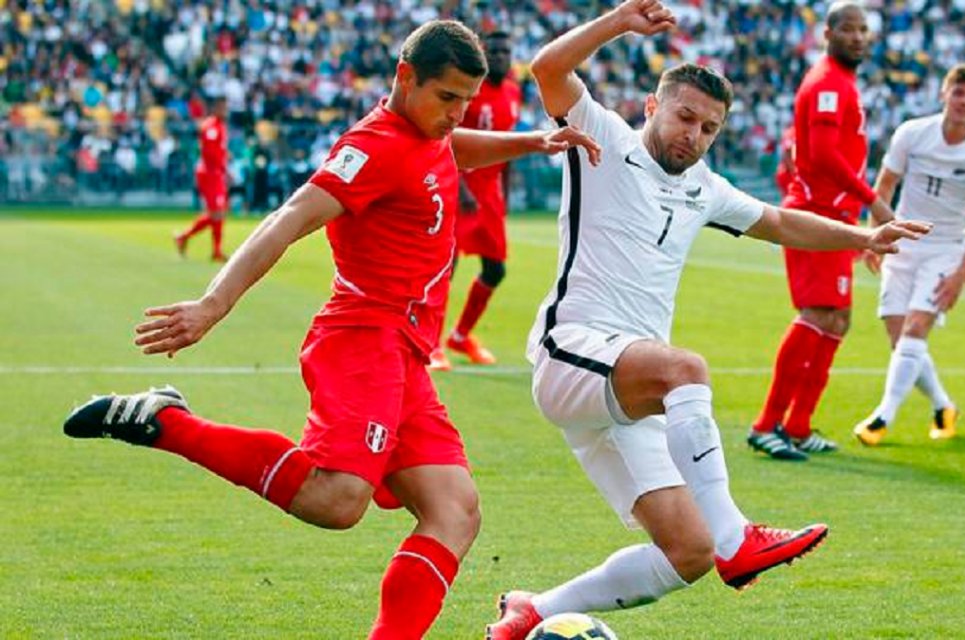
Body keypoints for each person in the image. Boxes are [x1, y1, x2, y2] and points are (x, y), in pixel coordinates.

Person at [62, 21, 599, 640]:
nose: (457, 113)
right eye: (447, 98)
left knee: (455, 511)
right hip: (363, 339)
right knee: (337, 501)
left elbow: (449, 150)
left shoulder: (428, 131)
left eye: (466, 101)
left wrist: (532, 141)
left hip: (406, 355)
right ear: (405, 78)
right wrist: (212, 304)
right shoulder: (374, 146)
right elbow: (289, 218)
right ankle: (167, 424)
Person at [485, 2, 930, 638]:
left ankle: (534, 609)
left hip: (628, 391)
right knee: (685, 369)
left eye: (709, 128)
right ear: (652, 107)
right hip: (571, 353)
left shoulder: (705, 187)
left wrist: (862, 237)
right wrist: (620, 20)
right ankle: (737, 536)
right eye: (684, 117)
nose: (693, 135)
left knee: (687, 553)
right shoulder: (604, 139)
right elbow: (548, 68)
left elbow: (779, 221)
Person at [747, 1, 896, 461]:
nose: (858, 37)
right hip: (816, 215)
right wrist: (874, 202)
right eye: (848, 29)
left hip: (836, 216)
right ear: (827, 34)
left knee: (837, 318)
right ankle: (766, 424)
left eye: (863, 30)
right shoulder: (828, 82)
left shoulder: (840, 82)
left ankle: (798, 424)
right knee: (817, 313)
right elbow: (824, 155)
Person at [853, 64, 965, 446]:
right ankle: (943, 405)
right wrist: (874, 236)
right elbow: (884, 186)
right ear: (943, 94)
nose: (964, 101)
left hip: (945, 250)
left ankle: (882, 417)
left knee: (915, 330)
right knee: (900, 341)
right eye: (959, 92)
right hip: (902, 241)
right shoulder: (912, 133)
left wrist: (961, 274)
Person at [430, 30, 523, 371]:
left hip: (490, 194)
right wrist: (461, 188)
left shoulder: (513, 91)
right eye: (493, 51)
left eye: (505, 51)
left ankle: (460, 336)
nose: (500, 57)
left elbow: (507, 145)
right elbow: (445, 138)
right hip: (458, 188)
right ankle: (431, 345)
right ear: (482, 53)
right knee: (446, 267)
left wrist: (505, 193)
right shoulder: (468, 89)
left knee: (495, 269)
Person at [175, 96, 231, 262]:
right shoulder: (211, 126)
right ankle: (215, 251)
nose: (225, 111)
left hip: (215, 173)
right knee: (217, 212)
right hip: (210, 173)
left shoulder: (219, 126)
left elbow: (218, 150)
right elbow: (209, 152)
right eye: (222, 108)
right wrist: (223, 168)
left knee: (218, 212)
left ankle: (184, 237)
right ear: (216, 108)